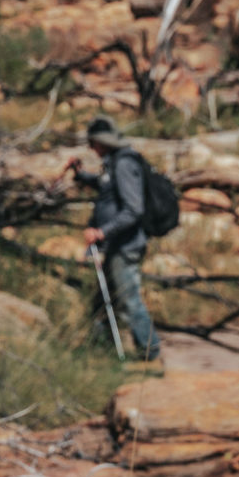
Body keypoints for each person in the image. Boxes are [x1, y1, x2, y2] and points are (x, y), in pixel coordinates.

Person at [65, 115, 160, 362]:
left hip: (125, 245)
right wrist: (81, 175)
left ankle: (150, 353)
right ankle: (103, 349)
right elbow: (106, 188)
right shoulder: (113, 163)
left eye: (92, 142)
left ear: (102, 142)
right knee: (103, 300)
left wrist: (101, 231)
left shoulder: (124, 164)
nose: (90, 148)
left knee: (129, 300)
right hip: (115, 245)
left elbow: (133, 209)